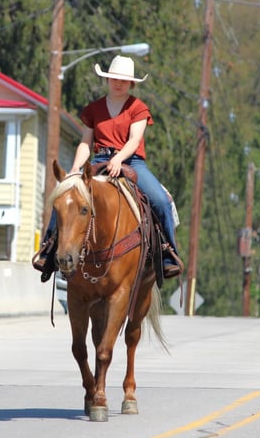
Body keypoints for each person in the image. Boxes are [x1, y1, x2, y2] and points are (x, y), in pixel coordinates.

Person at [34, 55, 183, 279]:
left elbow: (134, 141)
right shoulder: (94, 109)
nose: (118, 82)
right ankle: (48, 249)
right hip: (98, 160)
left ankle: (168, 254)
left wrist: (119, 158)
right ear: (107, 79)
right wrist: (75, 169)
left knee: (160, 200)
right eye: (114, 78)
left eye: (123, 79)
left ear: (131, 82)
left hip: (132, 162)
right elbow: (86, 142)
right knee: (67, 195)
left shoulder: (138, 108)